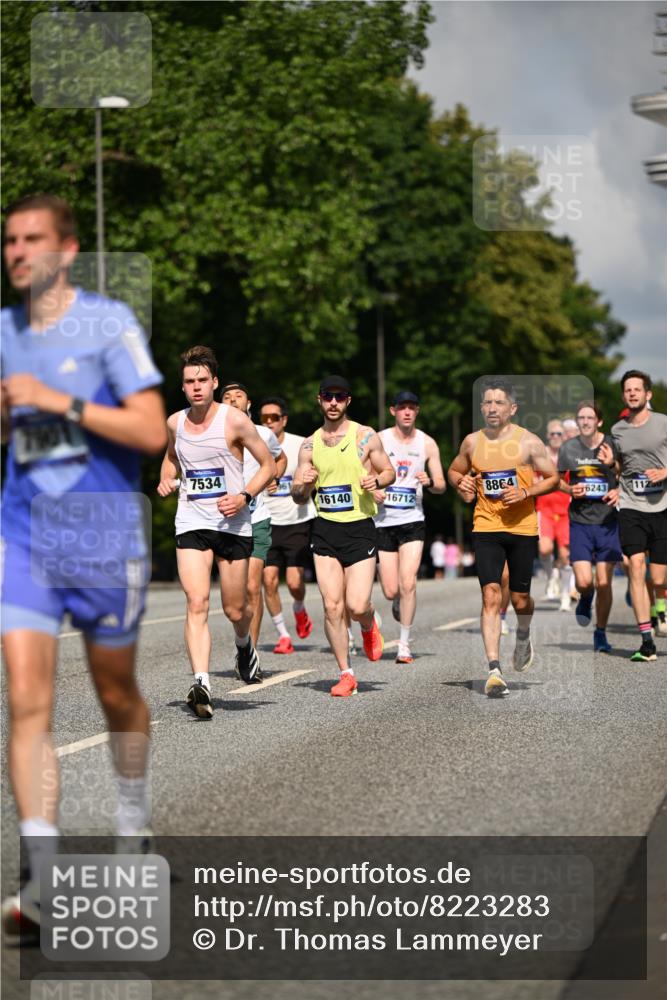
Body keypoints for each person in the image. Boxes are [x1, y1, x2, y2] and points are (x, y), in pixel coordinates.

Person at [1, 194, 167, 937]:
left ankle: (133, 821)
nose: (17, 251)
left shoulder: (108, 322)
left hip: (103, 536)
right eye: (9, 240)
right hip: (25, 534)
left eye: (31, 238)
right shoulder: (3, 332)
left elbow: (151, 431)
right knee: (26, 699)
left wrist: (59, 401)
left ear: (67, 250)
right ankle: (40, 877)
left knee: (116, 693)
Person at [158, 347, 275, 718]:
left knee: (235, 608)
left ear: (214, 383)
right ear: (182, 386)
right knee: (196, 601)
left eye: (202, 380)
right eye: (189, 381)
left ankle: (244, 646)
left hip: (233, 524)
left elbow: (269, 465)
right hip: (192, 521)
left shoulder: (235, 421)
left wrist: (244, 496)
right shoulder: (175, 423)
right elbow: (171, 459)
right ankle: (202, 683)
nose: (196, 387)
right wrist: (166, 478)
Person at [448, 378, 559, 697]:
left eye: (499, 403)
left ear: (513, 408)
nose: (492, 408)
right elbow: (455, 471)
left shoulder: (529, 442)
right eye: (487, 402)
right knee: (491, 594)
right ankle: (494, 670)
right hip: (486, 525)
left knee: (521, 599)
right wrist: (461, 483)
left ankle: (523, 631)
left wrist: (525, 491)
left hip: (522, 527)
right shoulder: (472, 442)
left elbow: (552, 479)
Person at [291, 375, 395, 695]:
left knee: (357, 605)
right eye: (328, 396)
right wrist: (304, 484)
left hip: (359, 527)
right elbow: (297, 496)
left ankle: (368, 623)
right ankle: (346, 673)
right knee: (332, 606)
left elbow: (389, 471)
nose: (333, 402)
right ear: (319, 400)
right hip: (325, 529)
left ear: (348, 400)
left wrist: (377, 481)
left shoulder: (365, 436)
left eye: (339, 397)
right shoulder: (309, 444)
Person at [599, 370, 667, 662]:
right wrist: (610, 463)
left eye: (637, 389)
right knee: (635, 567)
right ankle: (646, 641)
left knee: (659, 578)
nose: (632, 393)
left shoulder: (663, 423)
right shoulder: (618, 430)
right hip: (631, 505)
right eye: (627, 390)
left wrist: (664, 472)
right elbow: (620, 467)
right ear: (623, 396)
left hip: (662, 505)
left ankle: (661, 604)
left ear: (647, 394)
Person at [373, 390, 445, 663]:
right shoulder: (380, 439)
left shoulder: (428, 443)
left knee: (408, 582)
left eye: (412, 407)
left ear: (417, 411)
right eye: (402, 407)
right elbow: (364, 473)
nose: (407, 412)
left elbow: (441, 485)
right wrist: (373, 490)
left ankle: (404, 645)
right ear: (393, 411)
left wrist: (430, 482)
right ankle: (396, 600)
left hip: (413, 520)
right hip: (383, 521)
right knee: (391, 590)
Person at [220, 382, 286, 649]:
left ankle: (251, 654)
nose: (233, 400)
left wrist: (274, 477)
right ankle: (243, 641)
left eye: (239, 396)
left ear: (248, 404)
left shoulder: (263, 434)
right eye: (227, 396)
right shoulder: (212, 434)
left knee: (252, 586)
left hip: (256, 517)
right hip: (224, 521)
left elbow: (280, 459)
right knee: (233, 600)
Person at [557, 401, 622, 653]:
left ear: (599, 422)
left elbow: (625, 473)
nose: (585, 422)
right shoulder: (568, 448)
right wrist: (569, 489)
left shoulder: (612, 444)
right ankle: (585, 597)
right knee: (585, 582)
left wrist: (618, 488)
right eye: (581, 418)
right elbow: (555, 480)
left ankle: (600, 633)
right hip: (580, 521)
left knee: (604, 582)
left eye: (590, 417)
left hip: (607, 522)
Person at [259, 395, 316, 654]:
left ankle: (299, 608)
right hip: (267, 521)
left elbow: (315, 475)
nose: (269, 422)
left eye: (274, 417)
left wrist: (304, 484)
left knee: (294, 583)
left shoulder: (300, 445)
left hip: (297, 521)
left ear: (284, 420)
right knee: (269, 581)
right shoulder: (253, 443)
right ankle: (283, 635)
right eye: (264, 418)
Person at [536, 419, 572, 610]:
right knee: (544, 549)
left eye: (559, 434)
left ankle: (565, 595)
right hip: (545, 508)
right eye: (553, 434)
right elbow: (532, 479)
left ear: (564, 436)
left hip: (565, 510)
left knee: (565, 555)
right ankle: (551, 577)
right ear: (547, 436)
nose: (556, 437)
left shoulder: (570, 455)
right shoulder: (541, 456)